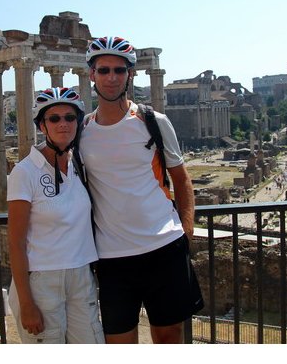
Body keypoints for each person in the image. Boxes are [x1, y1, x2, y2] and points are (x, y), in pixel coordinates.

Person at [79, 36, 204, 344]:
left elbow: (181, 179)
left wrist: (185, 232)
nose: (111, 77)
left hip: (165, 248)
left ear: (130, 74)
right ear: (91, 74)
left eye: (119, 70)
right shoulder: (80, 131)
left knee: (169, 337)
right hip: (112, 257)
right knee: (119, 342)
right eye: (103, 70)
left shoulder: (154, 122)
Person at [7, 87, 104, 344]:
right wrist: (26, 304)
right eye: (54, 118)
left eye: (70, 118)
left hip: (81, 275)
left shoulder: (80, 164)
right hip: (42, 282)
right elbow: (15, 243)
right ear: (42, 126)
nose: (63, 124)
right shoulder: (24, 172)